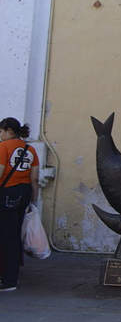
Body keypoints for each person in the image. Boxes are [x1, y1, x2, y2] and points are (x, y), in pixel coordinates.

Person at [0, 117, 40, 292]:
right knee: (15, 234)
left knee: (6, 236)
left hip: (7, 193)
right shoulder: (31, 149)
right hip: (24, 193)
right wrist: (34, 200)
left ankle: (8, 280)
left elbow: (0, 172)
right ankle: (13, 275)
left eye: (1, 131)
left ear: (9, 131)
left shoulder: (3, 147)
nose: (0, 135)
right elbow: (35, 179)